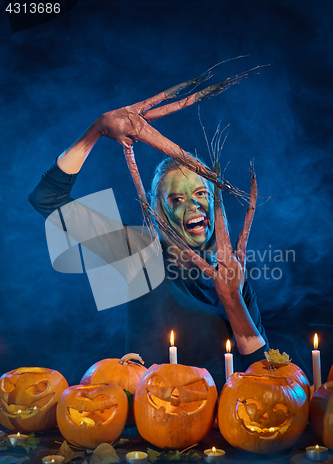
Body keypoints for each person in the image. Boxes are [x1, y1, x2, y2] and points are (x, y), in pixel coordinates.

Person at [29, 112, 269, 391]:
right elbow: (47, 198)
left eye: (201, 193)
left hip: (223, 427)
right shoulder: (141, 255)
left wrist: (233, 300)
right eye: (177, 198)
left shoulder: (236, 279)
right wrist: (96, 130)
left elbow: (266, 378)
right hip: (154, 421)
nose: (193, 204)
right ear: (162, 213)